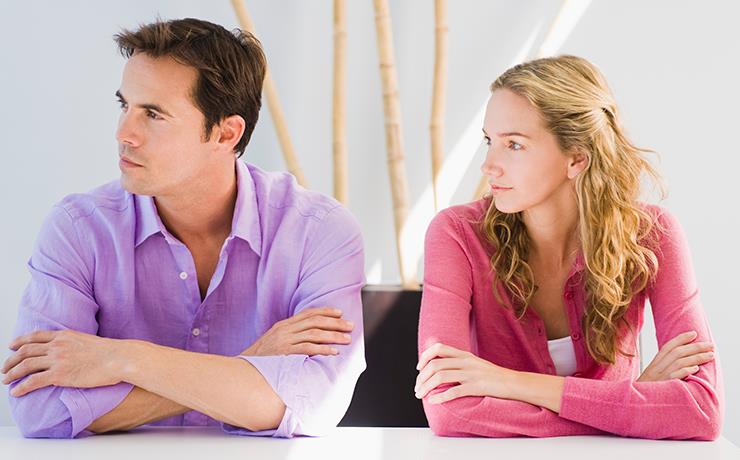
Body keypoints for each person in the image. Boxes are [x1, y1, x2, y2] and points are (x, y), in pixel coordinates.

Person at [1, 18, 365, 439]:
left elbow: (315, 404)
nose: (124, 133)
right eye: (125, 105)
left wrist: (124, 359)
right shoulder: (77, 230)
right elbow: (42, 410)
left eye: (153, 114)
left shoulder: (319, 232)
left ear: (226, 133)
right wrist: (251, 359)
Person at [415, 55, 723, 440]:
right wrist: (632, 404)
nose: (489, 165)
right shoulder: (457, 234)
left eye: (514, 144)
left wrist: (511, 383)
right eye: (489, 141)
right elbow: (448, 411)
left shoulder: (652, 234)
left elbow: (702, 411)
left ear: (576, 157)